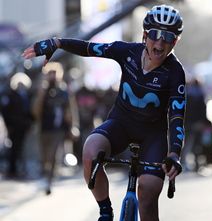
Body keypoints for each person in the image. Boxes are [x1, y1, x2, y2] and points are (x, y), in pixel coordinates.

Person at [22, 4, 185, 221]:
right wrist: (57, 43)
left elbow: (176, 116)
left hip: (152, 136)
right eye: (155, 35)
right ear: (145, 35)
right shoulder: (127, 52)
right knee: (90, 152)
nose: (160, 42)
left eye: (168, 38)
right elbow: (90, 48)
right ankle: (105, 211)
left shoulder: (175, 72)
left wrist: (174, 153)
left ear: (175, 42)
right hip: (120, 124)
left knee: (147, 194)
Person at [31, 62, 78, 195]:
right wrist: (41, 94)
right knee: (44, 157)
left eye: (54, 73)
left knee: (53, 156)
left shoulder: (64, 92)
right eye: (50, 73)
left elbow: (71, 110)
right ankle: (46, 176)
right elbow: (35, 111)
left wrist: (73, 126)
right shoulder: (42, 91)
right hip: (43, 129)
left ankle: (49, 180)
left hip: (58, 130)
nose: (52, 76)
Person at [0, 72, 34, 178]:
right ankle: (12, 170)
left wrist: (29, 123)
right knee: (13, 149)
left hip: (23, 127)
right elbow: (5, 112)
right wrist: (9, 125)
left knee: (21, 148)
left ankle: (20, 169)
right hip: (13, 127)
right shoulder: (10, 96)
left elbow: (29, 112)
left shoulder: (26, 96)